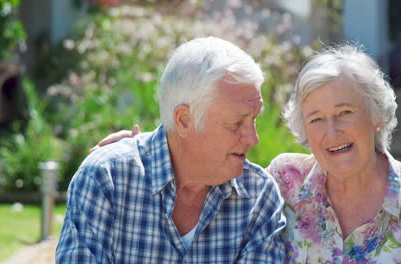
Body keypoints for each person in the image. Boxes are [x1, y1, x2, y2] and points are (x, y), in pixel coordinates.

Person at [102, 44, 401, 263]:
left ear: (376, 117)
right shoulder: (283, 181)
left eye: (345, 113)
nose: (332, 131)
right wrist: (139, 150)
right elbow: (205, 164)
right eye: (316, 119)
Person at [56, 37, 286, 263]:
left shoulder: (259, 196)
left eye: (254, 119)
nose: (253, 138)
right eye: (236, 123)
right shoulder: (106, 179)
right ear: (184, 120)